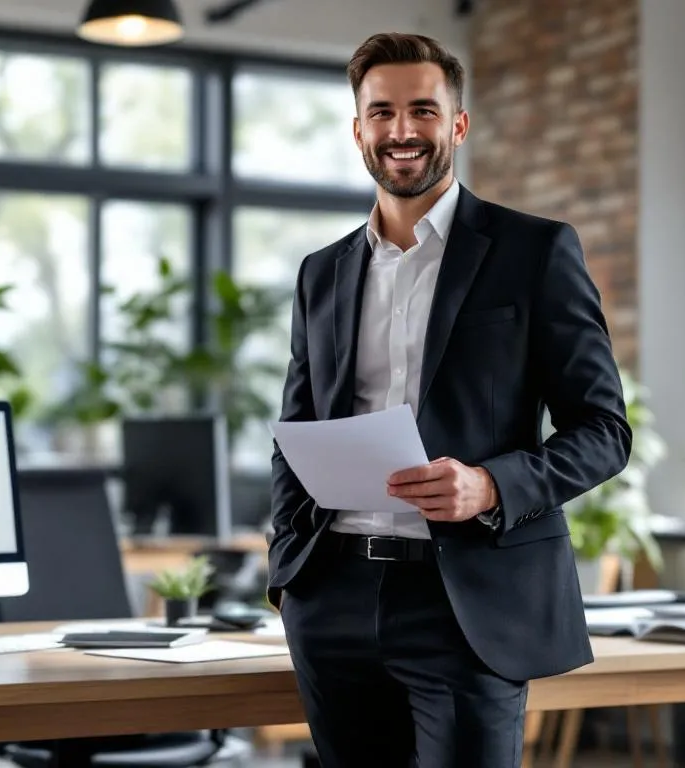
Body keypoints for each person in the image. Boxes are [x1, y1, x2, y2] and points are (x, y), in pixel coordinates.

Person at [265, 32, 632, 767]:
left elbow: (603, 429)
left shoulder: (535, 252)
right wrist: (288, 573)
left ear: (457, 125)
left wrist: (491, 484)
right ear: (359, 128)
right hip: (332, 594)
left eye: (423, 111)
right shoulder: (321, 274)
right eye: (383, 113)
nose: (402, 132)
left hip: (466, 599)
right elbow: (297, 427)